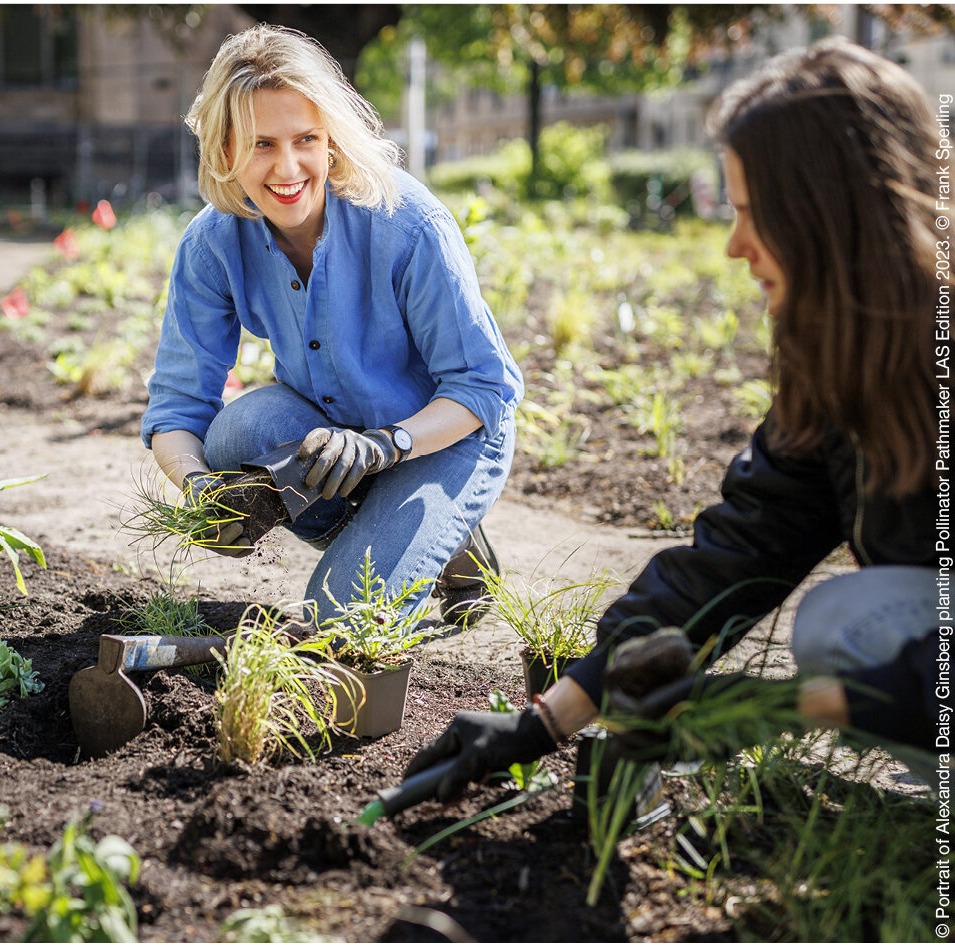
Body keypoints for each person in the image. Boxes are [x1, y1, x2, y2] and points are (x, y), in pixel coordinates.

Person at [407, 35, 942, 799]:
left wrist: (771, 707)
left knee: (846, 623)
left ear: (830, 218)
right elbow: (742, 549)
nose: (733, 245)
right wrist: (545, 719)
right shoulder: (843, 351)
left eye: (755, 214)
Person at [140, 25, 523, 622]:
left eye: (306, 140)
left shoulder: (407, 224)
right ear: (224, 151)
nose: (287, 167)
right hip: (336, 442)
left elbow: (483, 386)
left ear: (331, 143)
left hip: (446, 436)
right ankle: (404, 536)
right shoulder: (213, 245)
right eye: (262, 144)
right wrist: (197, 488)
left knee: (335, 618)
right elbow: (177, 406)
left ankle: (437, 537)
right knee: (236, 435)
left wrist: (385, 446)